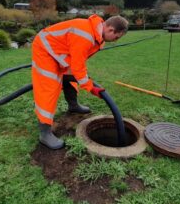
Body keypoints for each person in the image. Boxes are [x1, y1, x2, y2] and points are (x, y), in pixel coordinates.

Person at [32, 14, 129, 149]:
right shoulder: (86, 35)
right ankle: (45, 133)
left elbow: (79, 64)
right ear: (111, 30)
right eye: (117, 37)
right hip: (46, 50)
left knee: (69, 78)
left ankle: (73, 105)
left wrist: (81, 78)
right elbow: (78, 66)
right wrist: (90, 87)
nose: (116, 40)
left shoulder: (97, 36)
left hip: (60, 52)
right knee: (49, 89)